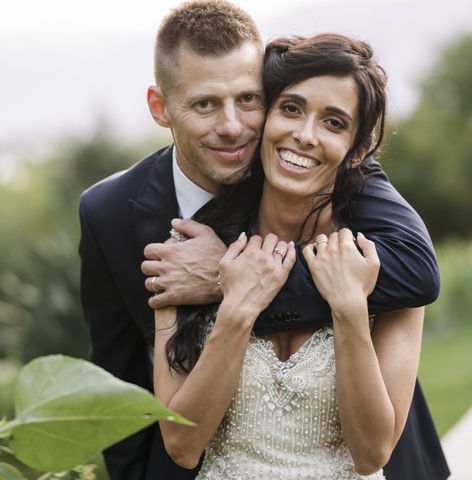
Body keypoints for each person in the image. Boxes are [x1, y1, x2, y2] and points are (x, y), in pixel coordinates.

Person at [78, 2, 448, 479]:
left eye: (248, 99)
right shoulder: (126, 223)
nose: (233, 126)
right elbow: (122, 381)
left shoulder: (358, 206)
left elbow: (419, 270)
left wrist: (229, 279)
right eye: (205, 103)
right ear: (160, 107)